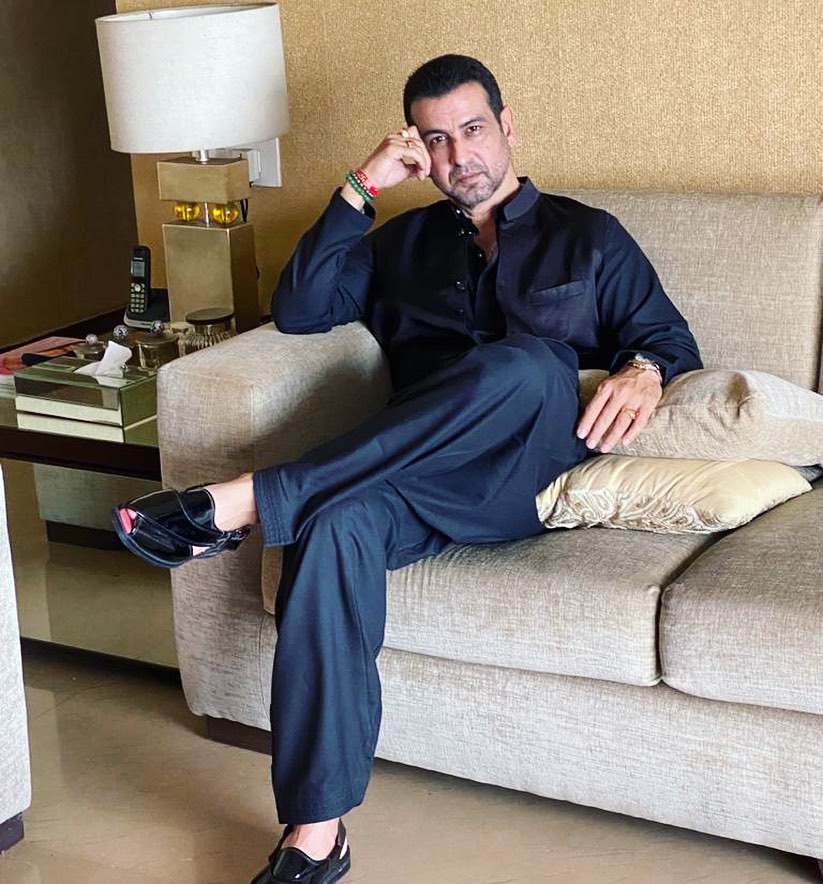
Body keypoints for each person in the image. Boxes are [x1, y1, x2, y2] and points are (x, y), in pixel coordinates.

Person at [113, 55, 701, 884]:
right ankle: (316, 835)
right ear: (418, 150)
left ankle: (247, 501)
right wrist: (362, 185)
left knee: (527, 362)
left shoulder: (588, 234)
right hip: (405, 473)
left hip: (521, 473)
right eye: (436, 139)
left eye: (472, 128)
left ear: (507, 126)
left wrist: (643, 367)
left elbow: (669, 339)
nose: (460, 154)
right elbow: (301, 309)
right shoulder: (403, 244)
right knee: (331, 527)